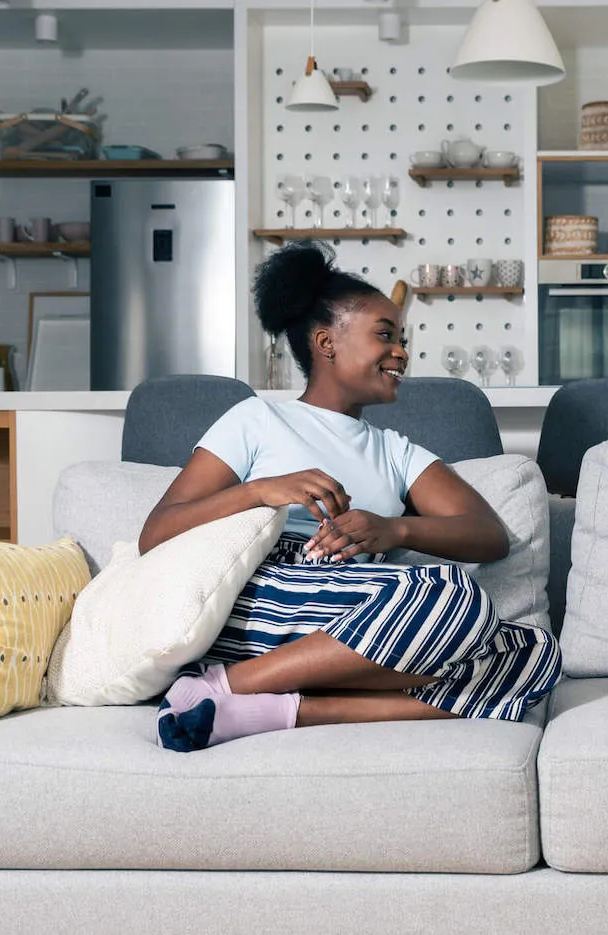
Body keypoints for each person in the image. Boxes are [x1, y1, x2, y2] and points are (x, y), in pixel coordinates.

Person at [143, 242, 561, 751]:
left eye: (403, 339)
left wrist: (394, 529)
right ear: (327, 343)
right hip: (262, 601)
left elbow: (488, 536)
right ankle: (219, 685)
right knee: (454, 596)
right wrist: (260, 492)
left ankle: (275, 707)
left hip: (357, 613)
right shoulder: (257, 419)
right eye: (385, 336)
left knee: (535, 655)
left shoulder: (397, 451)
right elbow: (156, 534)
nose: (402, 352)